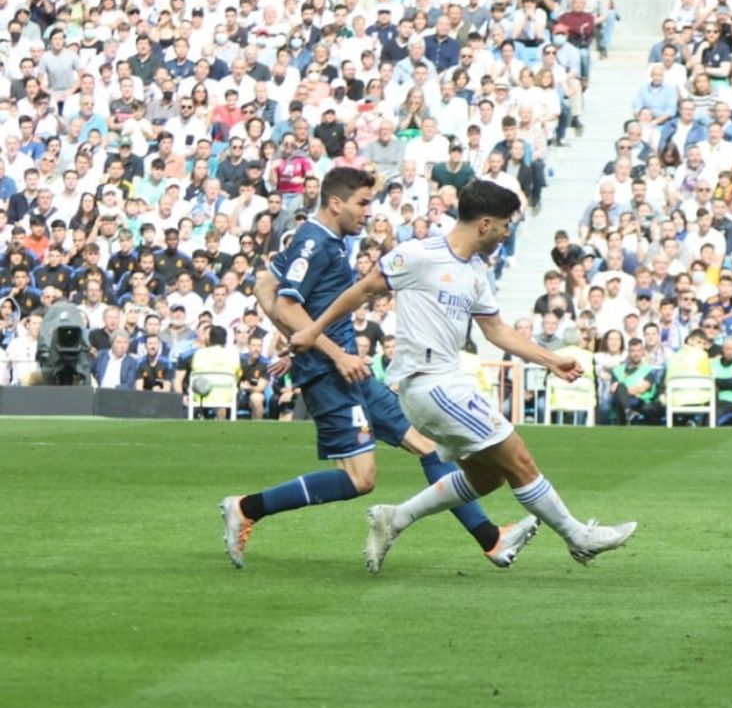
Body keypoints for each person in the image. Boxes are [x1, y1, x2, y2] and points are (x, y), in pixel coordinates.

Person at [292, 180, 635, 572]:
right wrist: (313, 331)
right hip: (427, 383)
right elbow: (362, 291)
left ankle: (395, 518)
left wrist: (549, 359)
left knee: (488, 477)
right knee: (517, 456)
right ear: (486, 224)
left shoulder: (475, 272)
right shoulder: (419, 254)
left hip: (448, 381)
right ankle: (578, 537)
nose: (508, 234)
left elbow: (497, 330)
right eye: (506, 225)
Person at [223, 167, 537, 570]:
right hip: (331, 374)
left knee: (428, 447)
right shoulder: (313, 242)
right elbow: (281, 300)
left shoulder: (331, 243)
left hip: (351, 369)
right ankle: (246, 508)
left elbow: (266, 284)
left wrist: (295, 337)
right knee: (360, 479)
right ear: (336, 202)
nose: (368, 212)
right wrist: (329, 352)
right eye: (362, 203)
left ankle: (491, 539)